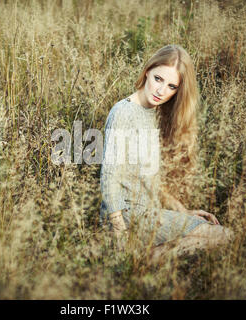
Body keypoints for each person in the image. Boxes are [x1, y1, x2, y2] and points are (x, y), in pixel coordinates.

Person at [99, 44, 234, 257]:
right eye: (158, 79)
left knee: (209, 232)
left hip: (149, 213)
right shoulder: (123, 112)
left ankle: (143, 256)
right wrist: (119, 234)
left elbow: (149, 180)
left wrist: (183, 212)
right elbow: (108, 177)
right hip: (127, 216)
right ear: (147, 72)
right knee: (223, 235)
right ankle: (140, 258)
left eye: (172, 86)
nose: (161, 91)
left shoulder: (152, 113)